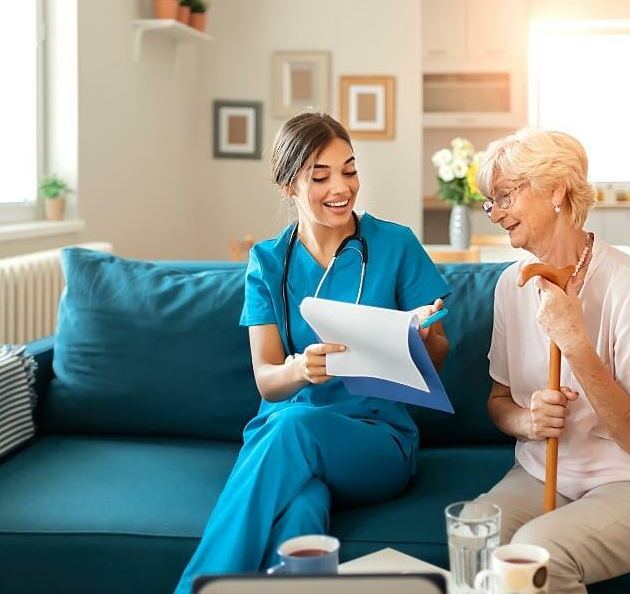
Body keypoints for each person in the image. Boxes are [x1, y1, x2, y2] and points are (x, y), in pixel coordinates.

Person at [175, 111, 450, 593]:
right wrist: (301, 369)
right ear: (288, 185)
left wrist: (425, 342)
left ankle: (196, 588)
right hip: (287, 438)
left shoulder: (395, 245)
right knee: (300, 510)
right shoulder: (266, 262)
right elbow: (267, 380)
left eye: (349, 169)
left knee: (293, 426)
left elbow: (440, 357)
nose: (341, 187)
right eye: (320, 176)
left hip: (376, 441)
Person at [473, 128, 630, 594]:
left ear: (555, 189)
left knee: (536, 558)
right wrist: (527, 421)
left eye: (504, 196)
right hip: (546, 472)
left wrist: (576, 344)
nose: (495, 213)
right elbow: (498, 401)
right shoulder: (509, 286)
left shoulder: (628, 286)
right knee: (474, 535)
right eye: (490, 202)